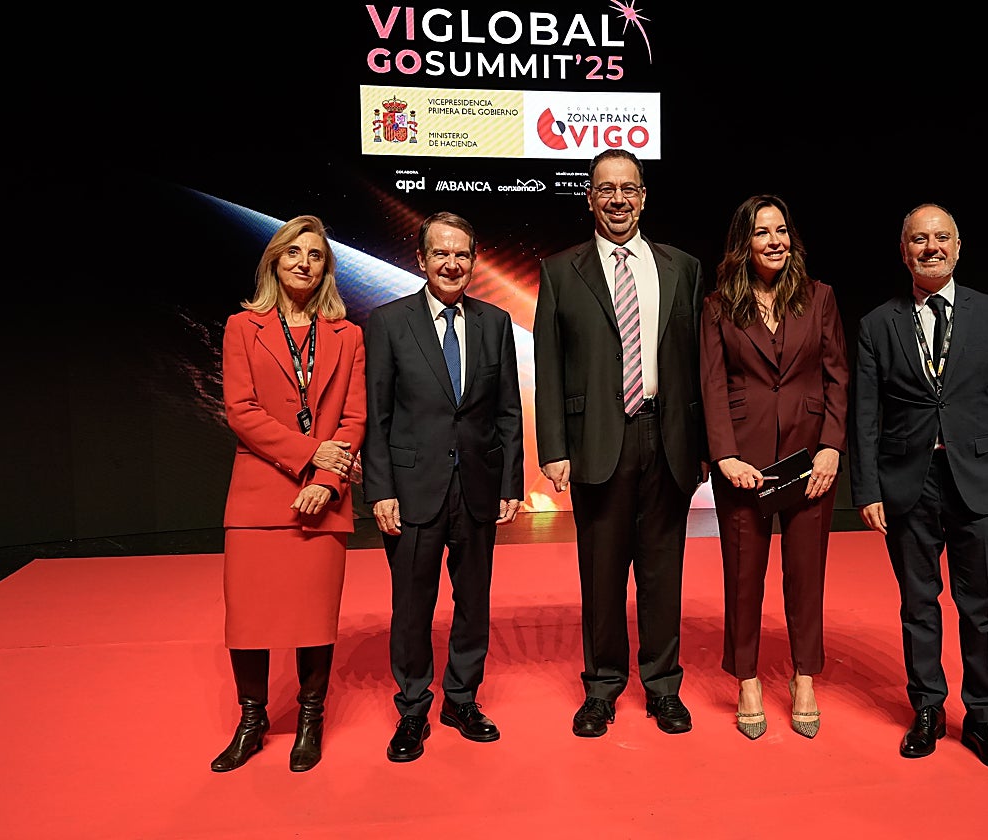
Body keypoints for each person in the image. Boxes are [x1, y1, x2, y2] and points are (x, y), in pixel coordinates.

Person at [850, 203, 988, 773]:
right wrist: (867, 488)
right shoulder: (877, 323)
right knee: (918, 604)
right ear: (903, 251)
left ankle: (984, 718)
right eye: (919, 239)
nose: (931, 247)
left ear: (959, 247)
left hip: (979, 482)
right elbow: (864, 414)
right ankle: (927, 707)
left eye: (942, 238)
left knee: (982, 608)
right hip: (908, 483)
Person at [533, 149, 706, 738]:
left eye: (628, 189)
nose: (617, 199)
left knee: (663, 572)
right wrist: (553, 447)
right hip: (597, 442)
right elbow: (549, 365)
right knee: (601, 574)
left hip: (669, 438)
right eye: (605, 189)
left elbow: (697, 365)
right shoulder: (560, 271)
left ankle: (662, 687)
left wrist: (704, 443)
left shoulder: (682, 267)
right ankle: (602, 688)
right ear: (589, 197)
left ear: (643, 196)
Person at [362, 211, 524, 763]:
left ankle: (461, 699)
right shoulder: (387, 322)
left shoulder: (495, 322)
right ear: (422, 260)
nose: (452, 263)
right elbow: (376, 417)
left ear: (473, 260)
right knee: (412, 605)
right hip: (411, 489)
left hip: (478, 486)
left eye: (462, 254)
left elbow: (507, 411)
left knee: (473, 601)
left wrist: (510, 483)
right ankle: (412, 710)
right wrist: (380, 489)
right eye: (441, 254)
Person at [212, 214, 367, 773]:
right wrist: (309, 455)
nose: (304, 262)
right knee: (248, 619)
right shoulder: (241, 327)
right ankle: (252, 721)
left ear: (327, 268)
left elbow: (353, 419)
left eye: (317, 255)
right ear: (274, 261)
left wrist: (325, 482)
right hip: (259, 494)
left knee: (314, 617)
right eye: (293, 252)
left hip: (325, 498)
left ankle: (310, 718)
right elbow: (241, 412)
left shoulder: (348, 336)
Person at [699, 194, 849, 741]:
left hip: (812, 460)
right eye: (762, 232)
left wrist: (832, 445)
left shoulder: (820, 297)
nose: (775, 241)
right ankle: (747, 679)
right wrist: (725, 455)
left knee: (806, 575)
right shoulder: (718, 306)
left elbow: (837, 376)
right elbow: (712, 384)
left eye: (782, 230)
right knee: (743, 577)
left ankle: (804, 677)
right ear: (744, 242)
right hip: (744, 459)